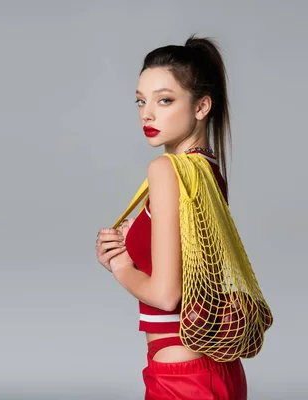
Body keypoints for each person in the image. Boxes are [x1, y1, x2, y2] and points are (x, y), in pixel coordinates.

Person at [95, 35, 248, 400]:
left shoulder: (167, 170)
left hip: (182, 373)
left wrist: (119, 267)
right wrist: (134, 247)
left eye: (165, 100)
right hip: (216, 367)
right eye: (140, 101)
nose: (147, 113)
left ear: (201, 106)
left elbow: (166, 296)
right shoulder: (208, 171)